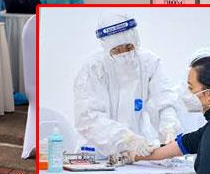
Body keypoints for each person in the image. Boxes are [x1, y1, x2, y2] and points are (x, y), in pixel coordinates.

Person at [73, 13, 181, 160]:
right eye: (117, 50)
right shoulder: (93, 68)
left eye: (129, 47)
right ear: (106, 46)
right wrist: (127, 139)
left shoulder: (149, 63)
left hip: (135, 154)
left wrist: (169, 128)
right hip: (96, 154)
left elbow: (164, 99)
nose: (124, 54)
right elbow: (88, 118)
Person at [135, 54, 210, 174]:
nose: (185, 93)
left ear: (209, 94)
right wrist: (134, 155)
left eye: (190, 88)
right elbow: (184, 144)